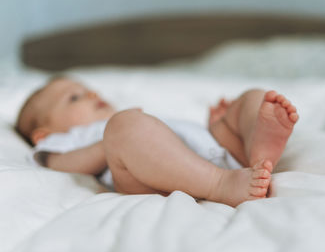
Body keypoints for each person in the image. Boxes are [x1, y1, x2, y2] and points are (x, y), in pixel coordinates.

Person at [15, 76, 299, 207]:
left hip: (210, 148)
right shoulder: (62, 142)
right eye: (74, 97)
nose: (91, 95)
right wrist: (112, 141)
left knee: (250, 99)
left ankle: (258, 152)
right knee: (125, 125)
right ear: (44, 133)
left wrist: (218, 125)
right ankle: (220, 184)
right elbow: (61, 165)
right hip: (150, 180)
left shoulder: (130, 118)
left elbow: (172, 141)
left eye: (89, 90)